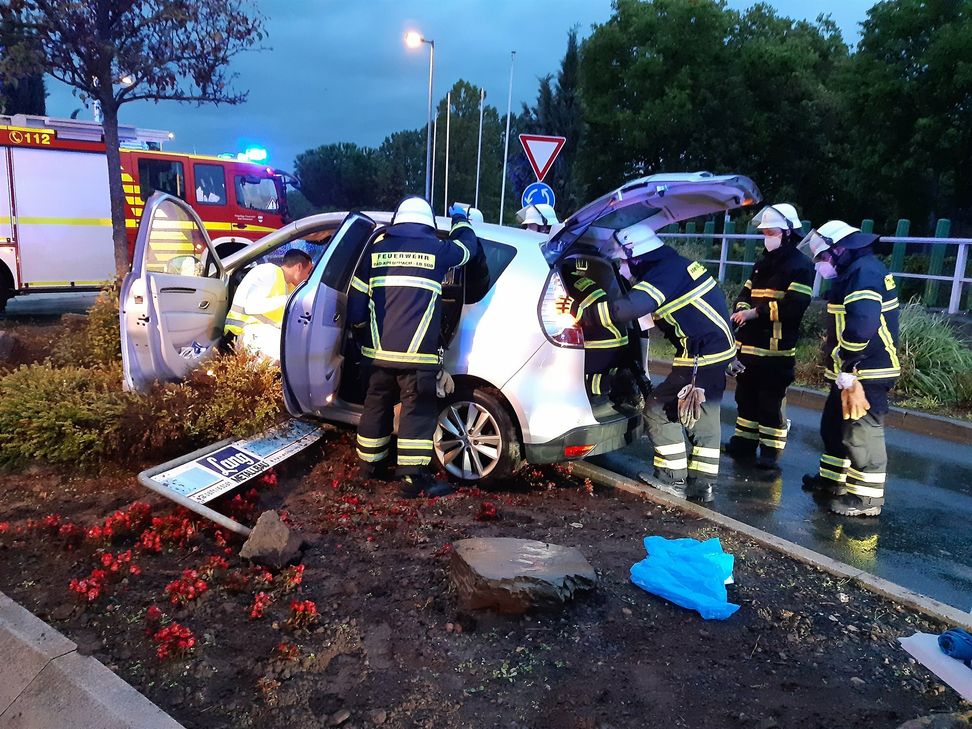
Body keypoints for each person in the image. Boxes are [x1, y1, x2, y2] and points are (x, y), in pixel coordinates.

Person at [348, 197, 479, 499]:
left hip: (377, 355)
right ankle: (412, 478)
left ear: (397, 222)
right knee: (416, 412)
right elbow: (467, 250)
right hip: (417, 356)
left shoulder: (375, 250)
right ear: (429, 224)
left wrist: (359, 334)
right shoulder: (437, 249)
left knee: (375, 405)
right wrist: (460, 221)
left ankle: (370, 467)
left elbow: (356, 302)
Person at [602, 222, 736, 502]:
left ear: (635, 255)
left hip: (701, 355)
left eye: (625, 262)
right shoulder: (676, 264)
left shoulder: (663, 273)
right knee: (703, 414)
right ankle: (703, 485)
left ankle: (672, 479)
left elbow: (624, 309)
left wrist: (591, 311)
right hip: (716, 350)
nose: (625, 267)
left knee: (658, 409)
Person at [798, 221, 900, 517]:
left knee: (861, 433)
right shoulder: (853, 271)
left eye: (822, 257)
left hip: (866, 372)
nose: (820, 265)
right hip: (849, 373)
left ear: (840, 249)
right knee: (833, 427)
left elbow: (862, 323)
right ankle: (832, 481)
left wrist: (850, 361)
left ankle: (866, 499)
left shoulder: (863, 273)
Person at [725, 203, 815, 469]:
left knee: (770, 404)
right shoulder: (763, 263)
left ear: (787, 232)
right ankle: (743, 445)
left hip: (776, 350)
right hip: (749, 346)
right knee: (746, 398)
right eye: (764, 232)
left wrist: (756, 313)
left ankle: (769, 454)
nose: (767, 237)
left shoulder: (801, 266)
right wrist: (741, 310)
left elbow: (794, 306)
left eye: (770, 231)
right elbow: (745, 293)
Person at [223, 249, 313, 362]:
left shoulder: (288, 286)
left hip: (258, 333)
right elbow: (252, 307)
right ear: (299, 267)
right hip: (241, 333)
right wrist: (288, 299)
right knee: (287, 355)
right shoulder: (269, 271)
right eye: (309, 272)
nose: (309, 277)